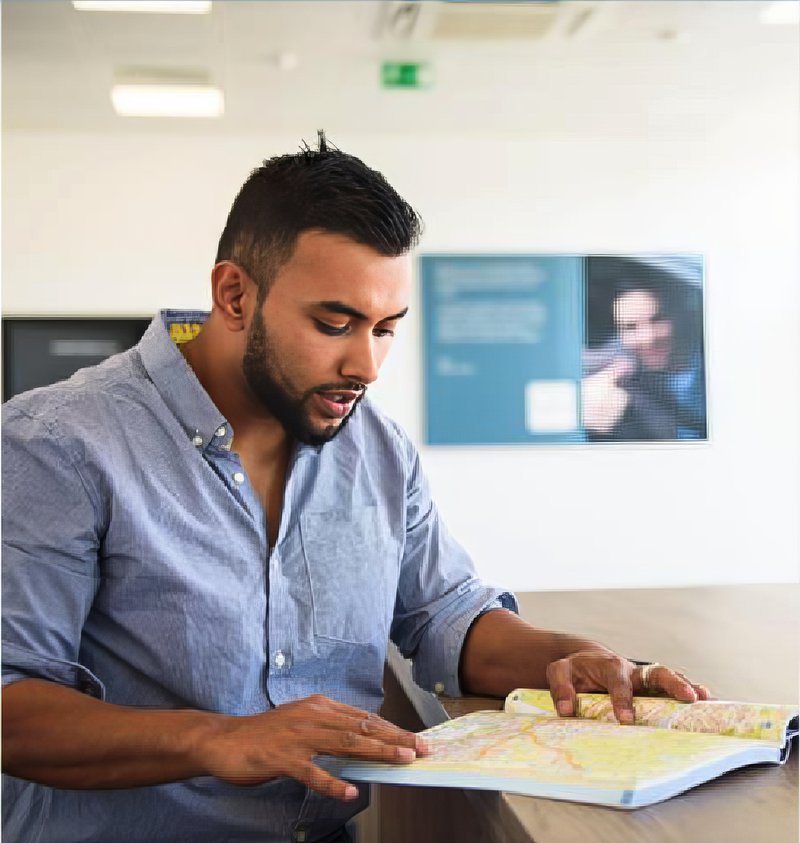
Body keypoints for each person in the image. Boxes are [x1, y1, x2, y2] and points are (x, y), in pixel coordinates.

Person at [2, 135, 709, 843]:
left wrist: (569, 655)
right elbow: (10, 702)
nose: (365, 364)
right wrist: (218, 738)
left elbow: (443, 614)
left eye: (386, 329)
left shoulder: (376, 448)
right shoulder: (57, 443)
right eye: (334, 323)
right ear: (234, 294)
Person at [582, 258, 707, 441]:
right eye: (630, 327)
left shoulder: (716, 364)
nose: (648, 338)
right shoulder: (626, 391)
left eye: (657, 319)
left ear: (680, 315)